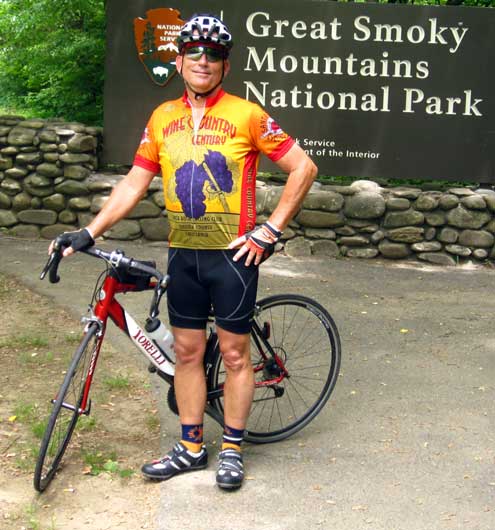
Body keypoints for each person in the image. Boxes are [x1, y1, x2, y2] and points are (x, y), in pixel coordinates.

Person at [50, 13, 317, 490]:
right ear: (178, 61)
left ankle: (232, 448)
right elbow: (134, 182)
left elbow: (304, 168)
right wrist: (90, 232)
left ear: (225, 66)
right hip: (184, 255)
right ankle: (192, 447)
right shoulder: (162, 118)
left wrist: (269, 230)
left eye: (213, 54)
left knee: (234, 356)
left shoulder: (247, 114)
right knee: (189, 352)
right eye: (193, 51)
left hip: (234, 257)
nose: (203, 60)